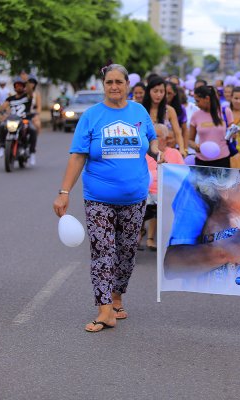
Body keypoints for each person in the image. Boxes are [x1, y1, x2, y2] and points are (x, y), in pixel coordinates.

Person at [52, 63, 161, 333]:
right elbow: (78, 156)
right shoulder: (91, 116)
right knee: (103, 250)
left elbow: (152, 139)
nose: (114, 86)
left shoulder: (139, 111)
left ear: (127, 85)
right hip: (98, 197)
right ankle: (104, 311)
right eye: (109, 82)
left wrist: (158, 152)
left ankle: (116, 298)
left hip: (135, 198)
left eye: (119, 82)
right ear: (104, 85)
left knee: (126, 252)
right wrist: (64, 192)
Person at [142, 124, 185, 251]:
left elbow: (182, 175)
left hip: (168, 193)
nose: (153, 139)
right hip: (148, 193)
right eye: (151, 136)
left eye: (157, 136)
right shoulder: (145, 154)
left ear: (166, 138)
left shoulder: (174, 153)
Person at [188, 85, 233, 167]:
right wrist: (195, 146)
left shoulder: (225, 112)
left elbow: (232, 135)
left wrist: (233, 133)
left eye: (198, 101)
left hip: (222, 159)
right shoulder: (195, 115)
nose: (196, 104)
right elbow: (190, 140)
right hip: (202, 161)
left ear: (207, 99)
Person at [143, 77, 186, 157]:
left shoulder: (169, 110)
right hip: (145, 153)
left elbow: (178, 133)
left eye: (162, 91)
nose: (158, 95)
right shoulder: (141, 109)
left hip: (165, 153)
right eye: (155, 91)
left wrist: (182, 149)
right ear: (149, 91)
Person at [0, 78, 36, 162]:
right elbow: (3, 106)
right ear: (14, 88)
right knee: (2, 125)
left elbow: (30, 92)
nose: (19, 87)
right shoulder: (10, 98)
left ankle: (32, 153)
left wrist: (26, 81)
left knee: (32, 130)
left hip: (24, 119)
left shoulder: (27, 96)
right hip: (12, 119)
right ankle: (2, 147)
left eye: (21, 86)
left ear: (24, 87)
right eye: (17, 86)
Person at [165, 81, 188, 153]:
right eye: (164, 92)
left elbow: (184, 131)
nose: (166, 96)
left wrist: (184, 149)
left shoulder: (180, 109)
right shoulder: (155, 108)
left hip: (174, 147)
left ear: (174, 93)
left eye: (169, 93)